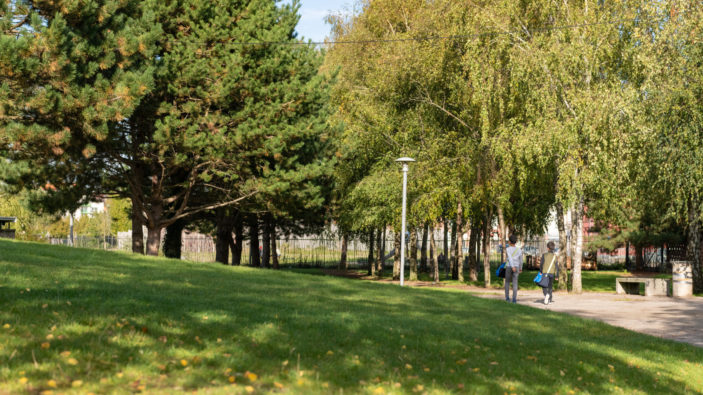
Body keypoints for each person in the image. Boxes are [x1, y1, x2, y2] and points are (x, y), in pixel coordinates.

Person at [504, 234, 523, 303]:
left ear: (509, 242)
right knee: (515, 283)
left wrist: (512, 266)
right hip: (517, 267)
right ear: (515, 242)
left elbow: (510, 258)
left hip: (509, 267)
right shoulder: (519, 250)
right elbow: (521, 260)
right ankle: (514, 299)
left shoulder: (508, 249)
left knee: (507, 282)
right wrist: (520, 267)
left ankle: (507, 298)